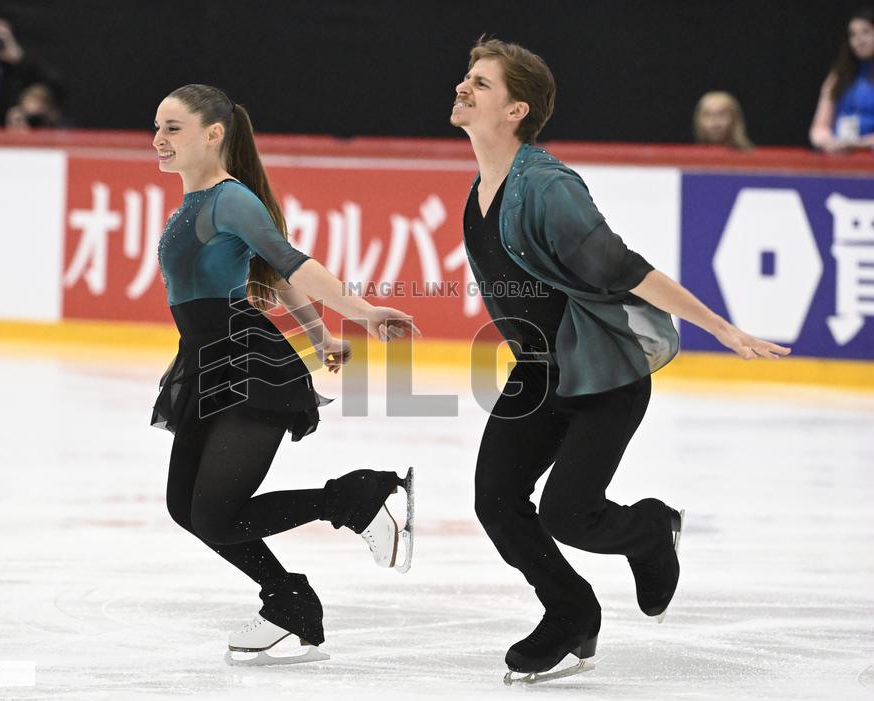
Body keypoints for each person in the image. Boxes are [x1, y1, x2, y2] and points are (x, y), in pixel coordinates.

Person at [450, 39, 790, 683]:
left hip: (605, 373)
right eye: (467, 78)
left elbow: (626, 269)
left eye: (481, 84)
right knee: (496, 499)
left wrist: (721, 327)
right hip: (541, 370)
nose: (463, 88)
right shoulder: (481, 189)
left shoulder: (547, 188)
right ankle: (571, 611)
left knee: (567, 514)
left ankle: (649, 531)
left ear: (516, 108)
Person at [150, 84, 418, 665]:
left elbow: (294, 261)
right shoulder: (193, 204)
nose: (159, 140)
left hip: (246, 363)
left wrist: (362, 312)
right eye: (157, 128)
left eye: (173, 128)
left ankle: (355, 502)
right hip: (203, 363)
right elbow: (274, 272)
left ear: (213, 133)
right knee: (186, 508)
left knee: (216, 513)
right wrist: (318, 335)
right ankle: (290, 602)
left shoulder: (229, 198)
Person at [810, 8, 874, 152]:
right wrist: (827, 140)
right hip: (841, 153)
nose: (859, 40)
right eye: (853, 35)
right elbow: (819, 127)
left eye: (866, 32)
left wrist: (863, 144)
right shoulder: (838, 75)